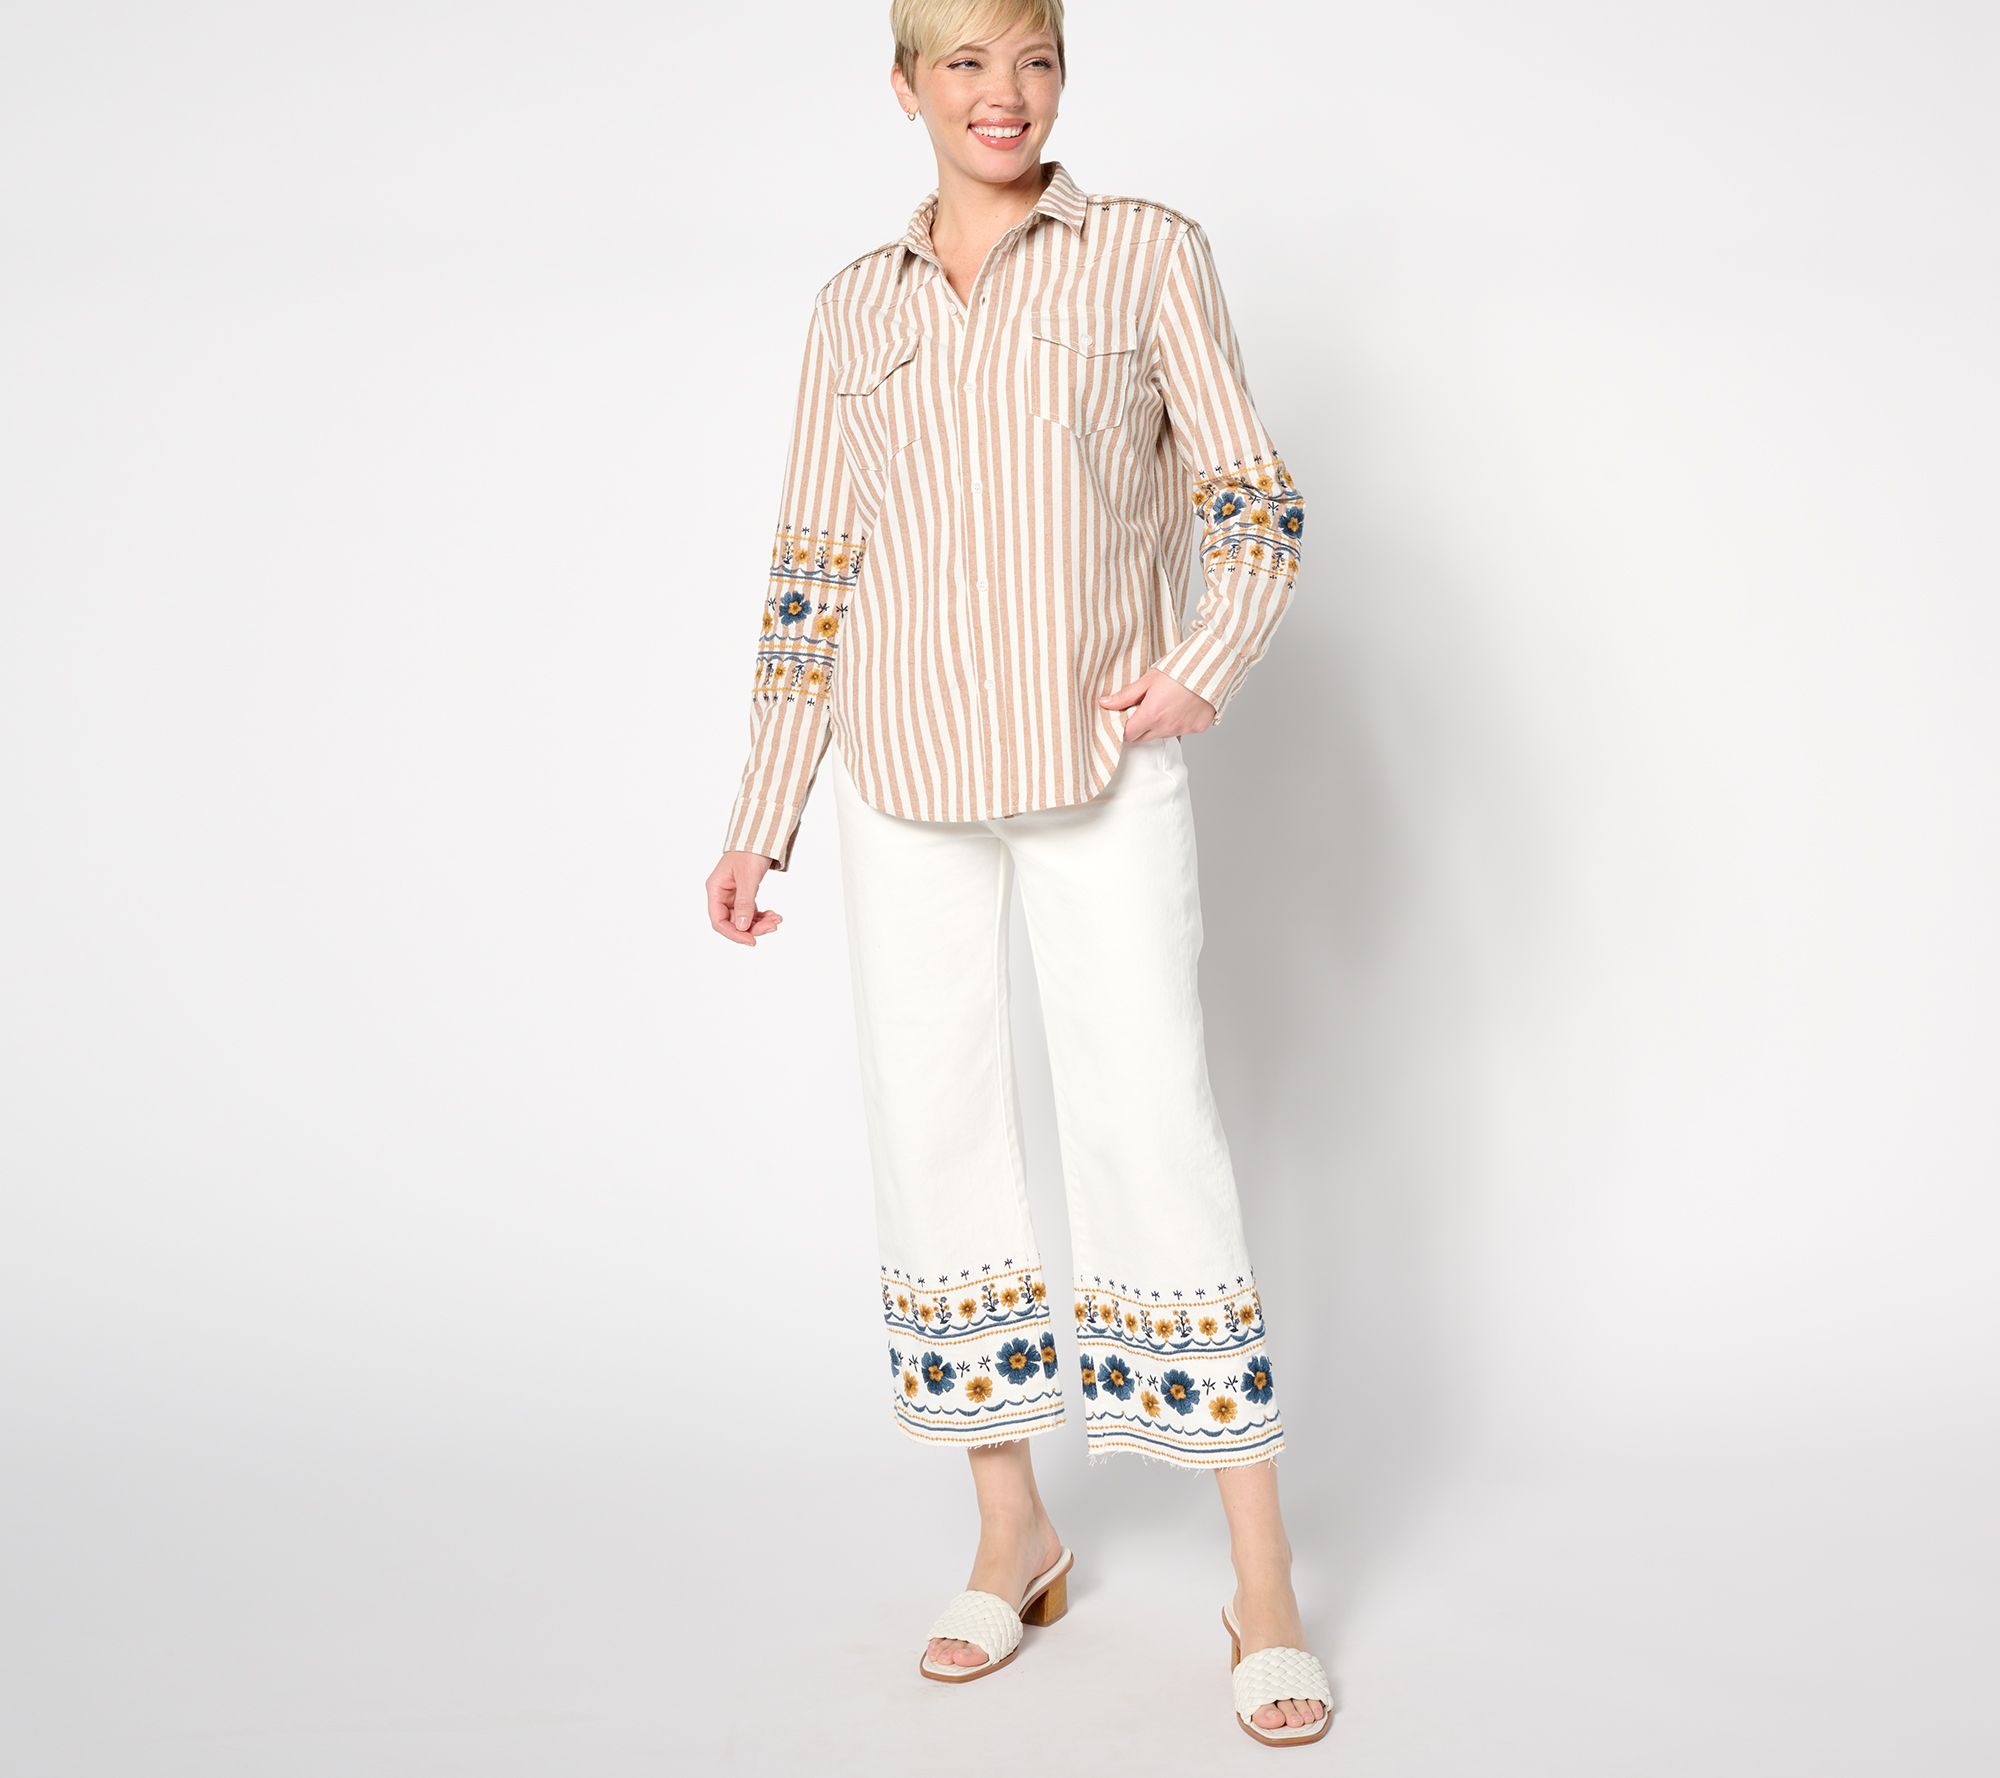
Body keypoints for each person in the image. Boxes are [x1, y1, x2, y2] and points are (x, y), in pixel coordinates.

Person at [703, 0, 1330, 1747]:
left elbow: (1255, 498)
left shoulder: (1144, 254)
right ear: (906, 83)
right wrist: (764, 807)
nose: (1004, 93)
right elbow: (812, 568)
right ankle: (1011, 1531)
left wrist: (1206, 658)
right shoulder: (854, 307)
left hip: (1097, 764)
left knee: (1153, 1126)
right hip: (902, 778)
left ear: (1062, 74)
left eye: (1033, 57)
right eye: (967, 61)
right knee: (936, 1130)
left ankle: (1262, 1576)